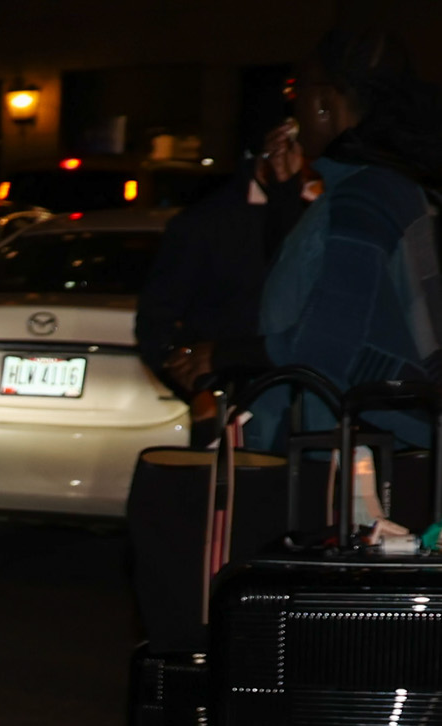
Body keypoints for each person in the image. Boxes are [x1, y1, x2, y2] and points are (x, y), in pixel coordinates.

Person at [254, 25, 442, 449]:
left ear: (324, 104)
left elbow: (330, 341)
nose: (293, 110)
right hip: (381, 455)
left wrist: (227, 355)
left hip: (340, 467)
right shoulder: (399, 185)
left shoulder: (365, 197)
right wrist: (285, 199)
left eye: (295, 92)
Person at [138, 120, 311, 393]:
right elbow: (157, 320)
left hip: (303, 391)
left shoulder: (319, 215)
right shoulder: (206, 223)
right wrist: (197, 391)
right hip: (230, 394)